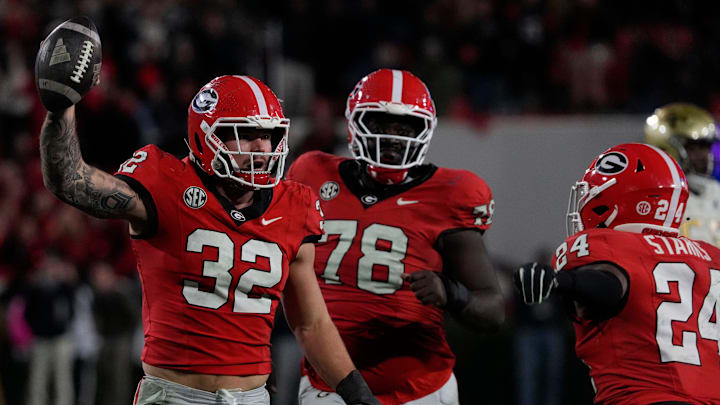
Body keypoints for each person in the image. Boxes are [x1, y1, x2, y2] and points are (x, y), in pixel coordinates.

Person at [37, 74, 380, 405]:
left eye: (267, 135)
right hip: (175, 396)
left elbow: (310, 324)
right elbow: (71, 181)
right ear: (205, 137)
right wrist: (61, 108)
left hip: (252, 398)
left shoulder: (295, 206)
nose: (261, 147)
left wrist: (358, 395)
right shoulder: (166, 183)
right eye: (244, 134)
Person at [287, 69, 505, 405]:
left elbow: (492, 310)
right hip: (328, 387)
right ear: (354, 123)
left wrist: (450, 292)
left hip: (420, 390)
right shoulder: (312, 173)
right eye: (380, 124)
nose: (392, 137)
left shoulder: (450, 194)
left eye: (404, 127)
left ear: (425, 130)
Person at [514, 143, 720, 404]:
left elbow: (612, 286)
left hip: (643, 398)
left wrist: (564, 281)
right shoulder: (711, 256)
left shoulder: (611, 245)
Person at [645, 103, 720, 247]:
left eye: (705, 147)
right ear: (665, 147)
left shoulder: (716, 191)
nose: (704, 156)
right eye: (693, 147)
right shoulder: (655, 199)